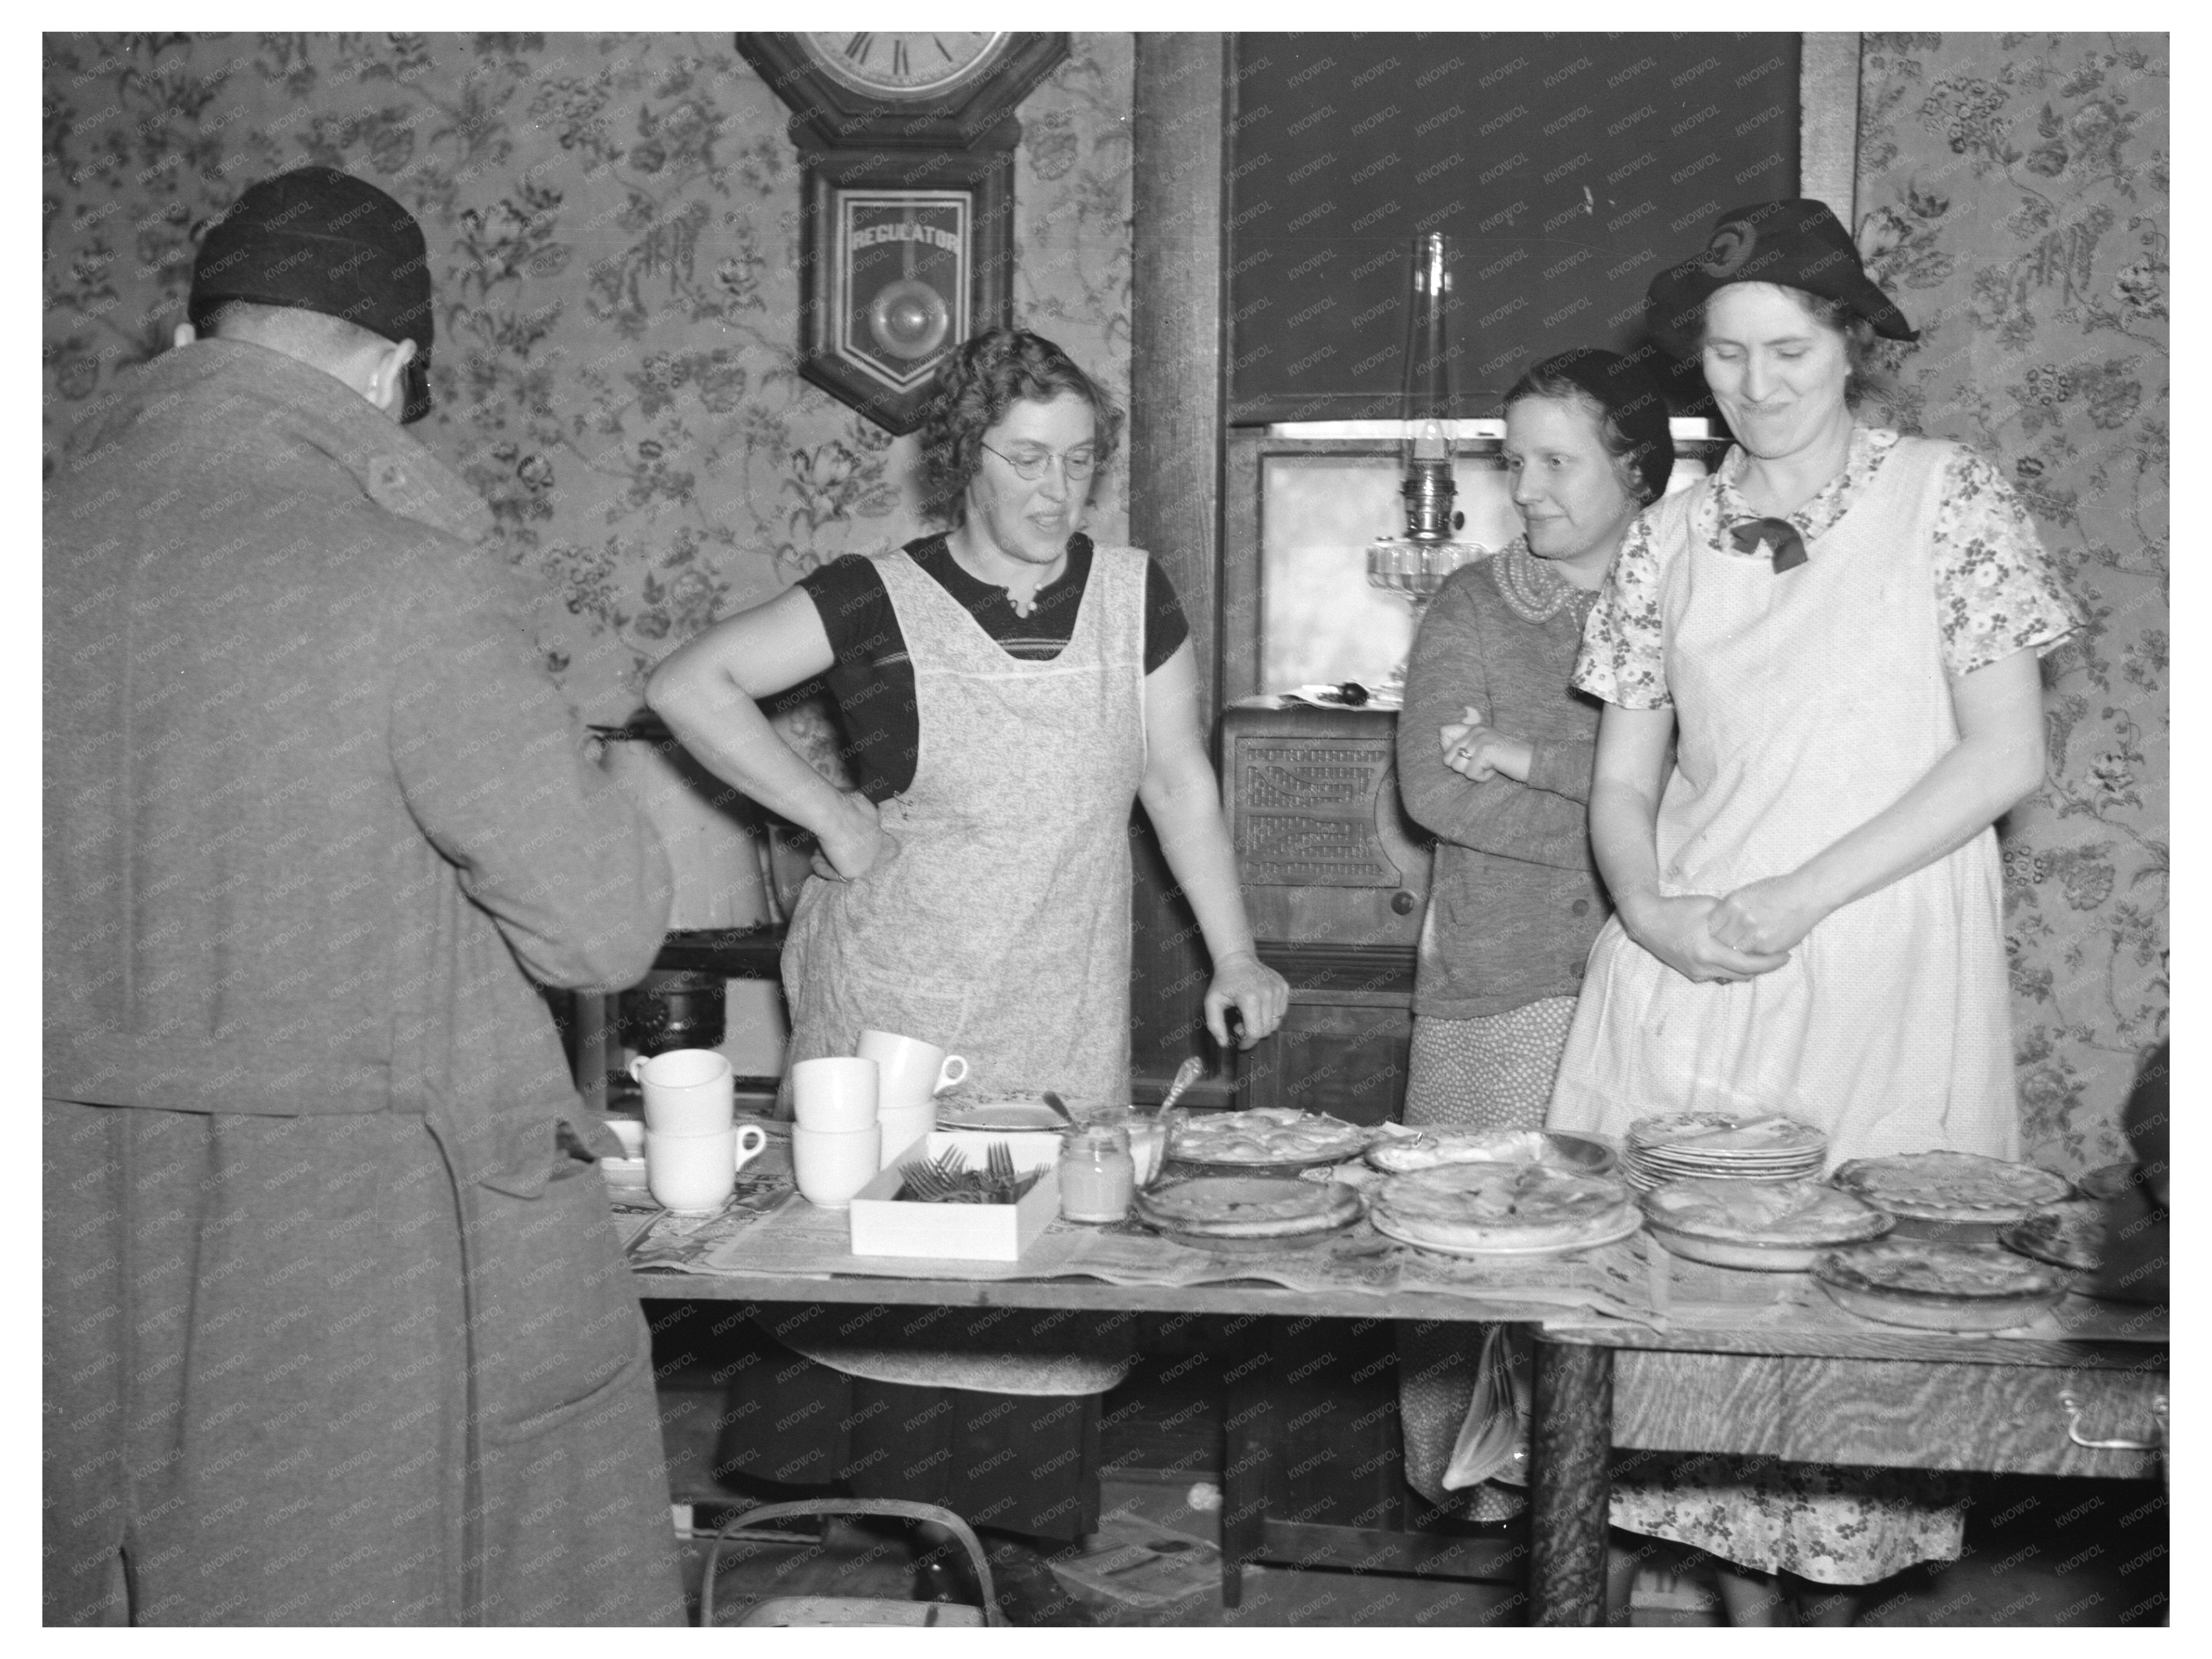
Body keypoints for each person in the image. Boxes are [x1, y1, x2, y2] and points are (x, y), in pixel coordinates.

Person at [44, 167, 684, 1626]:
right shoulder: (407, 581)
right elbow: (600, 925)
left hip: (60, 1230)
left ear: (199, 331)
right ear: (395, 369)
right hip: (361, 1251)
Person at [647, 327, 1288, 1611]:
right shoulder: (874, 594)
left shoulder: (1133, 594)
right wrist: (828, 817)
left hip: (1057, 991)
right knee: (870, 1275)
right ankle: (857, 1582)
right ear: (964, 461)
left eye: (1081, 462)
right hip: (894, 1000)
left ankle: (996, 1578)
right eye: (1026, 459)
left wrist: (1235, 947)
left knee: (1028, 1292)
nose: (1057, 492)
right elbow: (689, 683)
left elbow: (1174, 778)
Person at [1547, 199, 2082, 1624]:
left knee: (1863, 1349)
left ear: (1851, 346)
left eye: (1788, 351)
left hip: (1881, 957)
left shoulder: (1947, 498)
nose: (1755, 386)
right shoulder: (1664, 535)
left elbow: (2002, 756)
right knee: (1691, 1359)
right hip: (1694, 973)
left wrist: (1799, 893)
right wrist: (1654, 913)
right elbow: (1621, 780)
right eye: (1725, 357)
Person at [1389, 348, 1673, 1524]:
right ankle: (1475, 1503)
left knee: (1619, 1267)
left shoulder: (1689, 598)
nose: (1528, 490)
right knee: (1464, 1261)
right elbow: (1438, 793)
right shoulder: (1471, 604)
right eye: (1516, 463)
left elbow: (1720, 779)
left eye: (1558, 462)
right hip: (1498, 986)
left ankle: (1613, 1506)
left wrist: (1535, 760)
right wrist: (1628, 819)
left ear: (1638, 470)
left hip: (1653, 984)